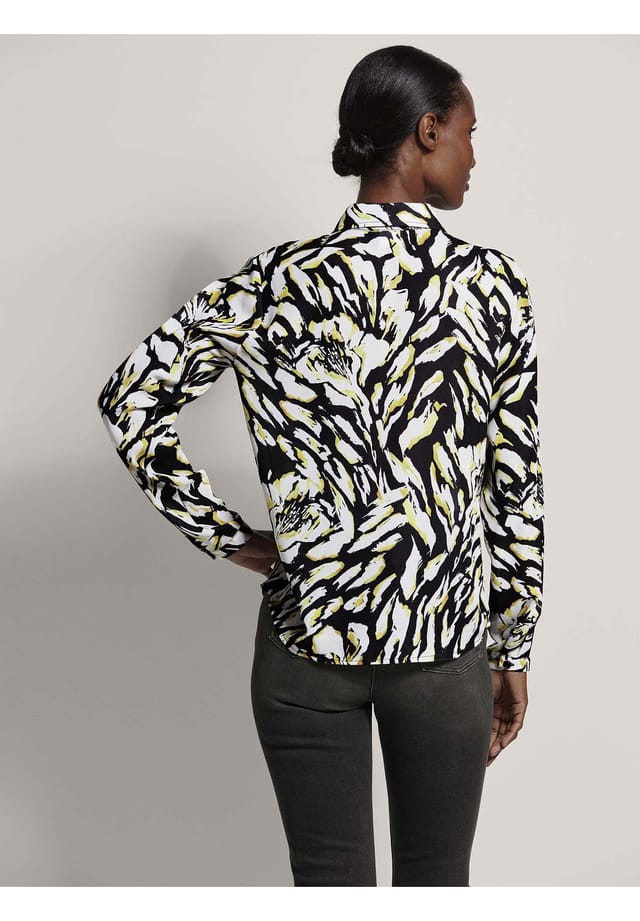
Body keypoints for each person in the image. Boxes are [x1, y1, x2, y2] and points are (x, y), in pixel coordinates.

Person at [97, 44, 544, 886]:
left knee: (327, 887)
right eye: (469, 132)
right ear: (427, 131)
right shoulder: (494, 287)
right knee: (437, 883)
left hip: (306, 641)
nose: (474, 154)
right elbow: (514, 483)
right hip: (443, 645)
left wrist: (234, 540)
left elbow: (131, 400)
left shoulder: (271, 282)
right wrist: (512, 645)